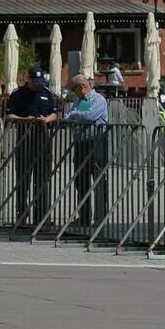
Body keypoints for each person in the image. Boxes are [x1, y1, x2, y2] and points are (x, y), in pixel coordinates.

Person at [4, 70, 61, 226]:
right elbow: (8, 115)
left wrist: (46, 119)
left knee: (42, 179)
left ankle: (42, 215)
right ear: (28, 79)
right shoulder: (17, 94)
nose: (38, 85)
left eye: (40, 82)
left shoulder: (46, 93)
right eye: (35, 82)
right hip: (24, 141)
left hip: (43, 140)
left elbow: (55, 114)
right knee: (23, 178)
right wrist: (24, 119)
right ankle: (21, 214)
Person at [64, 73, 111, 227]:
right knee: (81, 182)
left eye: (73, 88)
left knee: (98, 182)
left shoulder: (98, 100)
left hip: (97, 143)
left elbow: (91, 116)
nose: (73, 92)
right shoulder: (78, 101)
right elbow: (67, 117)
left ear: (82, 87)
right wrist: (75, 116)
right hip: (81, 145)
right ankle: (83, 218)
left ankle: (100, 218)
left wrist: (75, 115)